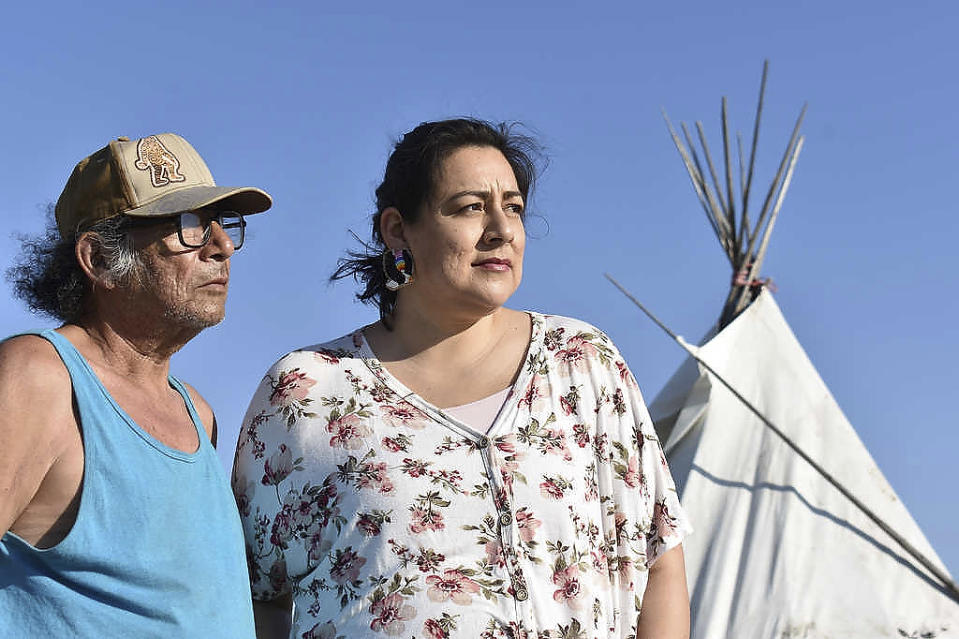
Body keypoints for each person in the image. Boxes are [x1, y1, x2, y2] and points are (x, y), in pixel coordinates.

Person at [233, 119, 691, 639]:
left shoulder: (582, 363)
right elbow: (255, 596)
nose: (501, 229)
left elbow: (659, 559)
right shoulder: (310, 392)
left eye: (513, 207)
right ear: (398, 230)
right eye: (472, 206)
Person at [0, 133, 272, 637]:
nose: (222, 246)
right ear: (100, 260)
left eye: (222, 224)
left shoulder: (197, 414)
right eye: (188, 226)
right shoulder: (39, 377)